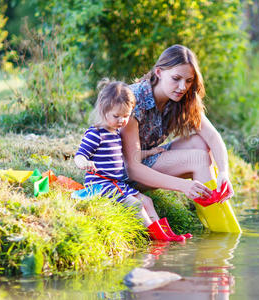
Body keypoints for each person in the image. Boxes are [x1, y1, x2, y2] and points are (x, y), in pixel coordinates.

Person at [74, 79, 190, 242]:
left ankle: (167, 234)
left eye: (126, 116)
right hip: (100, 184)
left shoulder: (115, 133)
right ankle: (156, 238)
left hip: (116, 184)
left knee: (147, 201)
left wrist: (150, 152)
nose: (121, 121)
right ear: (103, 110)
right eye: (116, 116)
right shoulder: (96, 133)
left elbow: (128, 156)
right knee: (136, 205)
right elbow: (79, 155)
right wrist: (83, 163)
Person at [121, 44, 234, 203]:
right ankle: (215, 216)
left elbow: (213, 136)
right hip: (123, 172)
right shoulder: (133, 99)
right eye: (176, 79)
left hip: (150, 158)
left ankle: (208, 208)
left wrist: (223, 172)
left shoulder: (180, 98)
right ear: (159, 72)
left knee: (199, 142)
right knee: (198, 158)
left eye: (188, 81)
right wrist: (182, 185)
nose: (183, 87)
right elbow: (132, 168)